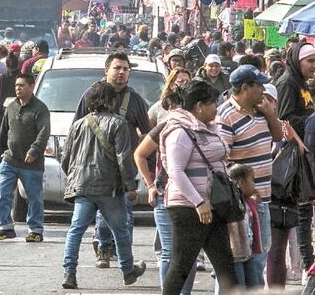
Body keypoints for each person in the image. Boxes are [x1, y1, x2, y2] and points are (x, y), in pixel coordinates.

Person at [60, 81, 147, 290]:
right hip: (109, 188)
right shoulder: (118, 124)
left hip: (82, 186)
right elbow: (123, 158)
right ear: (111, 101)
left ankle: (69, 273)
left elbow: (65, 159)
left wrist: (76, 177)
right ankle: (127, 271)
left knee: (76, 230)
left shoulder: (77, 125)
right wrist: (130, 185)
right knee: (120, 230)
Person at [73, 51, 150, 268]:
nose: (121, 73)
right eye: (117, 68)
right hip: (94, 167)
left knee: (124, 213)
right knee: (99, 214)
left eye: (126, 69)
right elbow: (76, 130)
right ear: (106, 70)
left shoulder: (135, 99)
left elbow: (147, 134)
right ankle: (105, 249)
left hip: (125, 166)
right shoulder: (90, 95)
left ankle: (123, 258)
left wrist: (147, 164)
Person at [159, 78, 236, 294]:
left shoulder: (208, 127)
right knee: (181, 265)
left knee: (225, 266)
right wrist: (198, 202)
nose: (217, 107)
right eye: (213, 102)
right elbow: (175, 172)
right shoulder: (179, 131)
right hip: (188, 207)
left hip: (213, 205)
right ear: (199, 106)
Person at [216, 65, 283, 288]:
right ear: (245, 88)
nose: (263, 90)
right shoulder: (226, 115)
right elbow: (221, 160)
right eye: (259, 86)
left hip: (262, 197)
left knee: (258, 259)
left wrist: (271, 115)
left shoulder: (261, 110)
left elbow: (277, 136)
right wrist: (243, 189)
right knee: (236, 260)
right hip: (240, 203)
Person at [135, 90, 197, 294]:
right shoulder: (165, 127)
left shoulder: (202, 127)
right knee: (169, 253)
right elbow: (140, 154)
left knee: (188, 254)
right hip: (165, 195)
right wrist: (151, 185)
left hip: (193, 196)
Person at [275, 40, 315, 277]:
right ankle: (306, 263)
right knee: (300, 212)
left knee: (303, 212)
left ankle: (305, 262)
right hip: (292, 155)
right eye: (310, 61)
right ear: (297, 61)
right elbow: (284, 120)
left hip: (303, 152)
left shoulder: (301, 83)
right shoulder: (287, 83)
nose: (314, 66)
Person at [0, 73, 50, 242]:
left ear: (31, 87)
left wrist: (34, 151)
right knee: (3, 194)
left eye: (22, 85)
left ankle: (35, 229)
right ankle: (5, 227)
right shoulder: (11, 107)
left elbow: (44, 133)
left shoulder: (40, 108)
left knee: (34, 198)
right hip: (9, 160)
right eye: (16, 85)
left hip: (31, 163)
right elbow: (3, 133)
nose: (18, 88)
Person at [228, 163, 263, 289]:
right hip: (235, 254)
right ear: (241, 183)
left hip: (248, 251)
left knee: (254, 286)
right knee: (239, 287)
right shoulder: (230, 203)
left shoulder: (247, 201)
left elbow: (254, 222)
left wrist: (257, 202)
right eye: (252, 180)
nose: (254, 185)